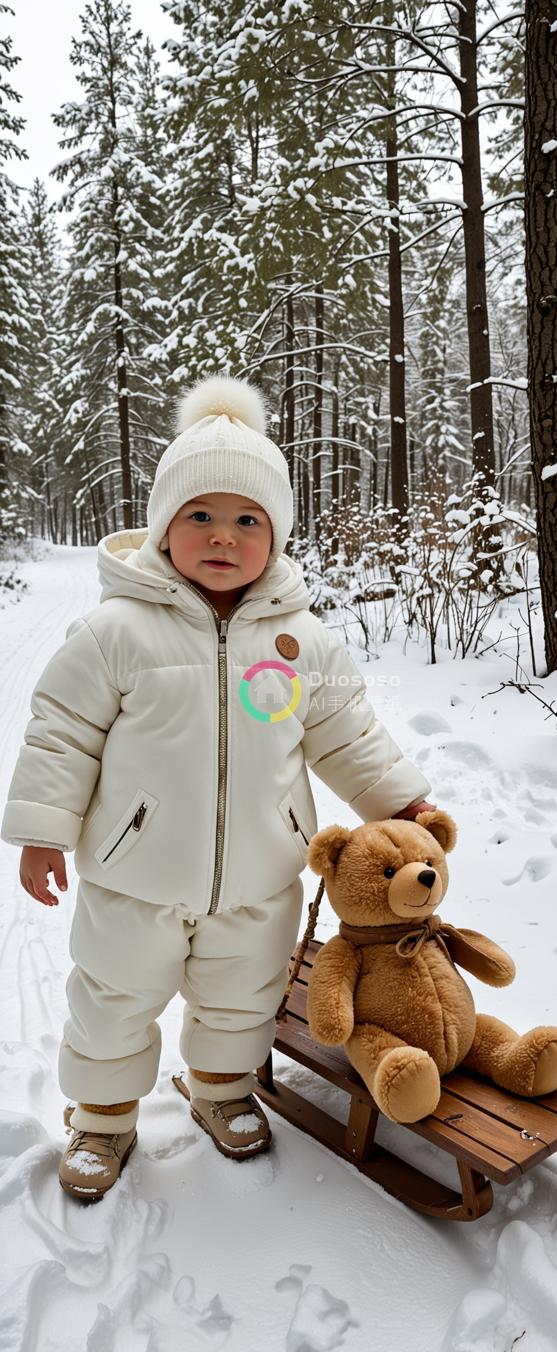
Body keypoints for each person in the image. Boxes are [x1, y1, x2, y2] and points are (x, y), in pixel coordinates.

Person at [1, 375, 434, 1201]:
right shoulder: (115, 631)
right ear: (165, 529)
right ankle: (101, 1115)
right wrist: (43, 829)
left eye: (248, 520)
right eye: (200, 515)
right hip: (134, 874)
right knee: (114, 991)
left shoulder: (298, 639)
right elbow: (61, 731)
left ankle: (222, 1091)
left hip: (262, 872)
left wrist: (399, 801)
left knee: (245, 992)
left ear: (275, 536)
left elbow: (345, 732)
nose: (223, 537)